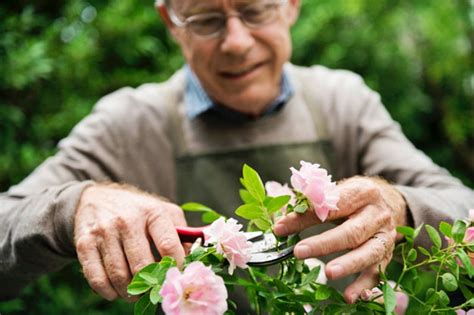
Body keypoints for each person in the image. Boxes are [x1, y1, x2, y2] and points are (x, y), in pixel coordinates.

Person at [1, 0, 472, 309]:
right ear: (172, 22)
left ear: (290, 6)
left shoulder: (343, 103)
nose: (236, 42)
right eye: (206, 20)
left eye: (254, 10)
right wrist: (70, 209)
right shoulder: (126, 125)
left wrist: (403, 208)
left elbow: (462, 206)